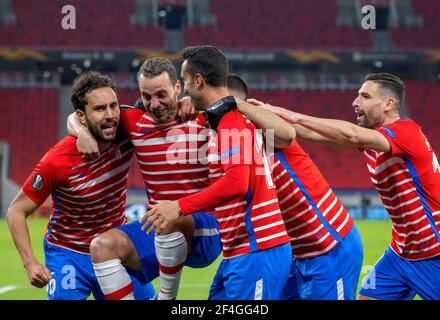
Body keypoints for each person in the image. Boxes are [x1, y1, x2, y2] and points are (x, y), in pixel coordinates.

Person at [260, 72, 440, 300]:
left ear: (389, 104)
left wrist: (289, 114)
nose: (355, 102)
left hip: (433, 251)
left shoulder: (406, 132)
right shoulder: (376, 139)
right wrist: (270, 120)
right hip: (400, 254)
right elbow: (315, 134)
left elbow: (352, 135)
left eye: (364, 96)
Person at [143, 46, 294, 300]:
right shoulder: (223, 119)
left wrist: (179, 206)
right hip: (240, 250)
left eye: (186, 81)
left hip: (257, 249)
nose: (185, 89)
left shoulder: (230, 121)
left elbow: (236, 183)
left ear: (199, 81)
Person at [68, 58, 222, 300]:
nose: (154, 104)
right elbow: (77, 117)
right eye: (147, 96)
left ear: (178, 88)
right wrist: (82, 133)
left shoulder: (202, 117)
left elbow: (237, 101)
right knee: (101, 247)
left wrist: (197, 103)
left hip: (207, 228)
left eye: (162, 94)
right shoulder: (133, 121)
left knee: (169, 215)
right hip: (160, 229)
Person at [6, 71, 156, 300]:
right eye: (99, 109)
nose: (110, 115)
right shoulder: (56, 161)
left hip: (114, 246)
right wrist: (30, 263)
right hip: (69, 253)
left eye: (113, 106)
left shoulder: (126, 131)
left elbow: (162, 108)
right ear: (81, 116)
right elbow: (16, 211)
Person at [227, 73, 364, 300]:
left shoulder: (264, 129)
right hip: (295, 254)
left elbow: (285, 135)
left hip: (328, 247)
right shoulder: (228, 142)